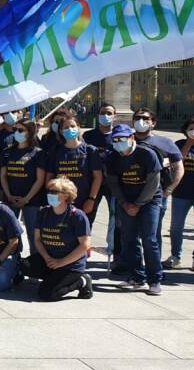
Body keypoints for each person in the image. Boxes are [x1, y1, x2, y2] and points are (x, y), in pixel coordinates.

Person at [106, 124, 164, 295]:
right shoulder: (112, 158)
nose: (118, 143)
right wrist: (125, 204)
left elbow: (153, 183)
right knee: (129, 239)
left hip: (149, 201)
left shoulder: (147, 154)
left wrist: (138, 205)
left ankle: (155, 279)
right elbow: (113, 184)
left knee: (149, 239)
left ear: (132, 138)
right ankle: (137, 277)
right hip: (126, 202)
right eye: (115, 140)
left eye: (122, 139)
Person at [27, 177, 93, 301]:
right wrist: (47, 258)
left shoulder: (77, 216)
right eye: (49, 191)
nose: (50, 195)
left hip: (70, 264)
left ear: (66, 196)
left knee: (46, 294)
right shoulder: (43, 212)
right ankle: (55, 278)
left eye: (54, 192)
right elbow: (37, 240)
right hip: (49, 259)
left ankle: (81, 281)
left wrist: (60, 263)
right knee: (24, 266)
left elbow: (85, 245)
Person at [131, 108, 184, 253]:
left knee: (152, 234)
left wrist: (169, 190)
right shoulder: (126, 140)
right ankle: (132, 265)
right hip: (130, 194)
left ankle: (154, 266)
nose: (140, 121)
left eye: (145, 118)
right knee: (129, 233)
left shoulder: (165, 143)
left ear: (153, 123)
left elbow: (179, 167)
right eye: (137, 118)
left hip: (156, 196)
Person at [44, 116, 103, 223]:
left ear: (78, 128)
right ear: (61, 131)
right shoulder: (56, 151)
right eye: (66, 127)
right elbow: (49, 176)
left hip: (84, 201)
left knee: (83, 235)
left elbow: (97, 177)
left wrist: (91, 199)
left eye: (72, 126)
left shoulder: (90, 150)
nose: (70, 129)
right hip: (60, 201)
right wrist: (51, 196)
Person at [0, 118, 46, 254]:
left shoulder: (38, 153)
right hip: (11, 199)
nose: (17, 133)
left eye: (21, 130)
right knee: (11, 235)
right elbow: (3, 176)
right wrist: (8, 195)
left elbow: (40, 179)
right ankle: (14, 263)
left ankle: (34, 265)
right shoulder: (8, 152)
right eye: (15, 130)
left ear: (30, 132)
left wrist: (26, 199)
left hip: (32, 201)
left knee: (33, 234)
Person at [84, 103, 120, 266]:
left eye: (109, 113)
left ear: (115, 116)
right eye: (102, 113)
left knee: (117, 220)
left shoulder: (120, 134)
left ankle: (116, 253)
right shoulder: (89, 136)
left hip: (115, 184)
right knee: (88, 216)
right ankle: (83, 250)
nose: (105, 115)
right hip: (94, 184)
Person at [168, 117, 194, 272]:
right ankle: (175, 256)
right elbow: (177, 162)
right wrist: (189, 144)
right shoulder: (180, 144)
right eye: (191, 128)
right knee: (176, 227)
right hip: (181, 193)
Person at [0, 110, 22, 180]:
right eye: (6, 113)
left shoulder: (25, 133)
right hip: (5, 177)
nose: (9, 115)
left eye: (12, 112)